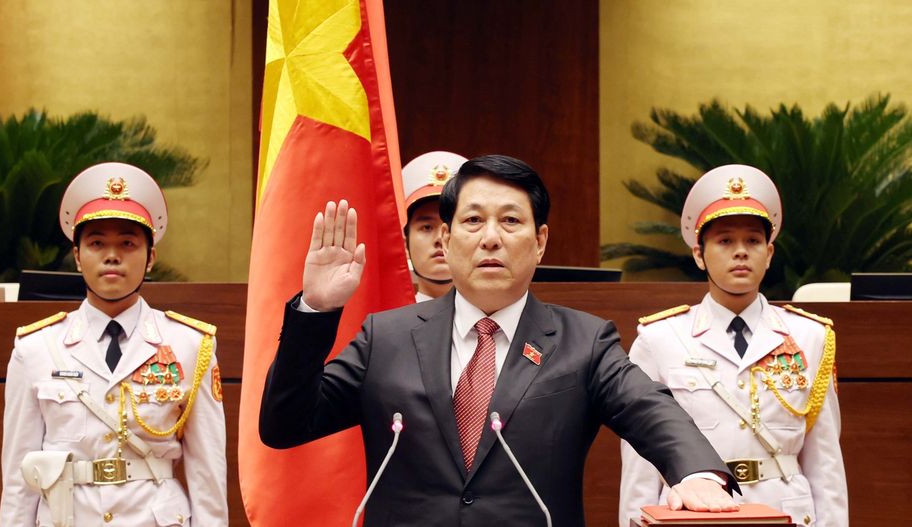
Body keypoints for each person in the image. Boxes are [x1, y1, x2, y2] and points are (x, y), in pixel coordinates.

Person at [259, 154, 739, 526]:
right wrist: (315, 310)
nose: (491, 238)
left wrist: (696, 473)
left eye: (510, 221)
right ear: (446, 239)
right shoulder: (386, 337)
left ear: (540, 241)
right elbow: (284, 425)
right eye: (473, 221)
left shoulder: (583, 342)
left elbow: (650, 408)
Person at [619, 164, 847, 527]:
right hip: (693, 515)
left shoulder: (810, 336)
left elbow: (825, 461)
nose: (740, 252)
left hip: (786, 512)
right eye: (725, 241)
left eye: (753, 241)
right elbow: (641, 464)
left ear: (769, 253)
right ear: (699, 254)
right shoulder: (660, 339)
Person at [0, 162, 227, 526]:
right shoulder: (36, 348)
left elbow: (207, 471)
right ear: (77, 257)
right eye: (96, 243)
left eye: (127, 243)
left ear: (150, 258)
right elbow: (19, 477)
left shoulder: (189, 345)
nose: (112, 255)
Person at [401, 151, 468, 302]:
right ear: (405, 244)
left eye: (450, 226)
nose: (440, 238)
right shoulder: (383, 317)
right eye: (427, 227)